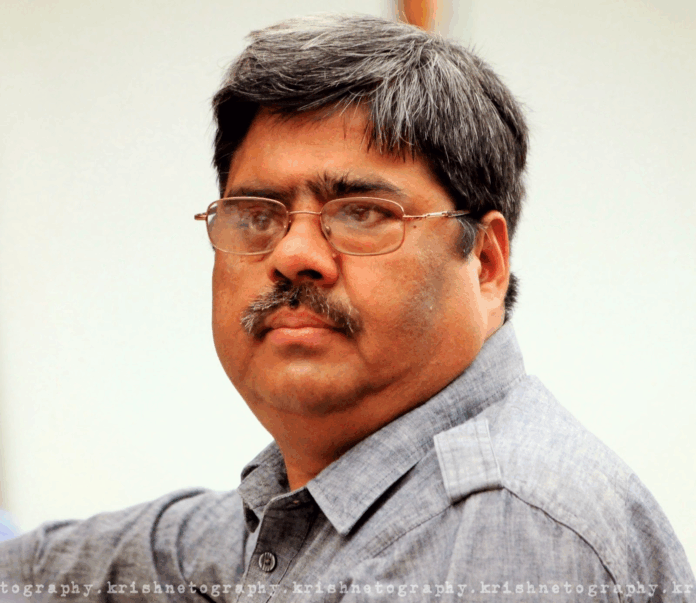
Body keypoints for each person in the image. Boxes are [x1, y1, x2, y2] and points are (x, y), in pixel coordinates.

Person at [1, 13, 693, 602]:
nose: (294, 254)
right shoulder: (300, 508)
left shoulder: (506, 529)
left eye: (360, 211)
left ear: (484, 262)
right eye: (257, 214)